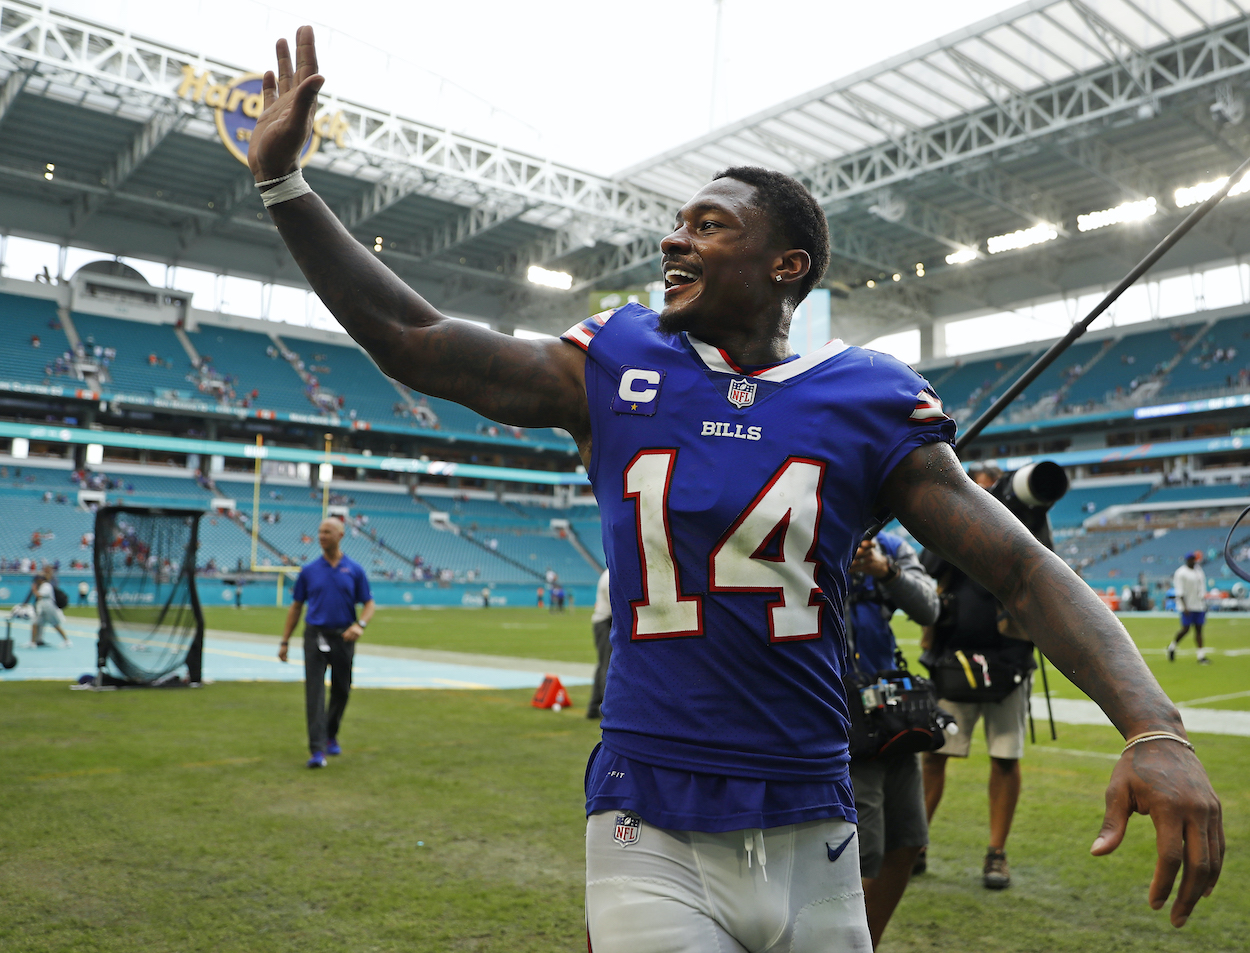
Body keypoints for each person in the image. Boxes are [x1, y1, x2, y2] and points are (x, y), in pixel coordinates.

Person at [249, 29, 1221, 944]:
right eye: (675, 224)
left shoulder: (865, 399)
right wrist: (285, 182)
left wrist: (1152, 725)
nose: (672, 242)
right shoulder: (619, 363)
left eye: (707, 227)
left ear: (783, 266)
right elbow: (417, 342)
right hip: (648, 814)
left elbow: (1017, 569)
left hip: (813, 814)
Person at [918, 464, 1036, 890]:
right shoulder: (947, 528)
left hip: (1010, 662)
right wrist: (957, 517)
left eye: (990, 494)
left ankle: (996, 852)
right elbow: (927, 567)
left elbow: (1043, 561)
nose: (982, 501)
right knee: (934, 755)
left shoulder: (1024, 524)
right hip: (952, 659)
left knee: (1005, 757)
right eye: (973, 492)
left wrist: (1014, 512)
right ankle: (916, 844)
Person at [846, 533, 939, 947]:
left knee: (908, 840)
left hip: (888, 709)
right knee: (859, 854)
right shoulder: (804, 527)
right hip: (833, 709)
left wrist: (884, 571)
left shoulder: (888, 544)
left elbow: (929, 607)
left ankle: (870, 944)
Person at [279, 518, 375, 769]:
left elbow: (369, 604)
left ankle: (331, 734)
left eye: (327, 532)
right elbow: (297, 606)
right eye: (320, 531)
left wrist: (360, 625)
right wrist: (285, 641)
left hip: (344, 636)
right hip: (315, 635)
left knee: (342, 689)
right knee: (315, 693)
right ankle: (317, 750)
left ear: (340, 535)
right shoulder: (309, 571)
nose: (322, 536)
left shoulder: (354, 570)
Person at [1169, 552, 1209, 664]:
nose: (1193, 561)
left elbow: (1202, 588)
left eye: (1194, 559)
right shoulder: (1181, 573)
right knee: (1186, 629)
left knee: (1199, 630)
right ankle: (1172, 646)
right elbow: (1179, 591)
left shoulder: (1198, 571)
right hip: (1187, 606)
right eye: (1191, 559)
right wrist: (1185, 607)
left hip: (1199, 605)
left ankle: (1201, 656)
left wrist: (1203, 603)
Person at [587, 568, 612, 720]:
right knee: (606, 665)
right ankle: (606, 709)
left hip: (603, 621)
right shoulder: (610, 575)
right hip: (605, 622)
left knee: (603, 664)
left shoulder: (608, 574)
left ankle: (593, 707)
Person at [30, 568, 71, 649]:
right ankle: (33, 642)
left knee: (55, 624)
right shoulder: (42, 586)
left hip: (48, 607)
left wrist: (34, 590)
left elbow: (39, 595)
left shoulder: (46, 586)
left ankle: (67, 641)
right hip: (42, 607)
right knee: (35, 623)